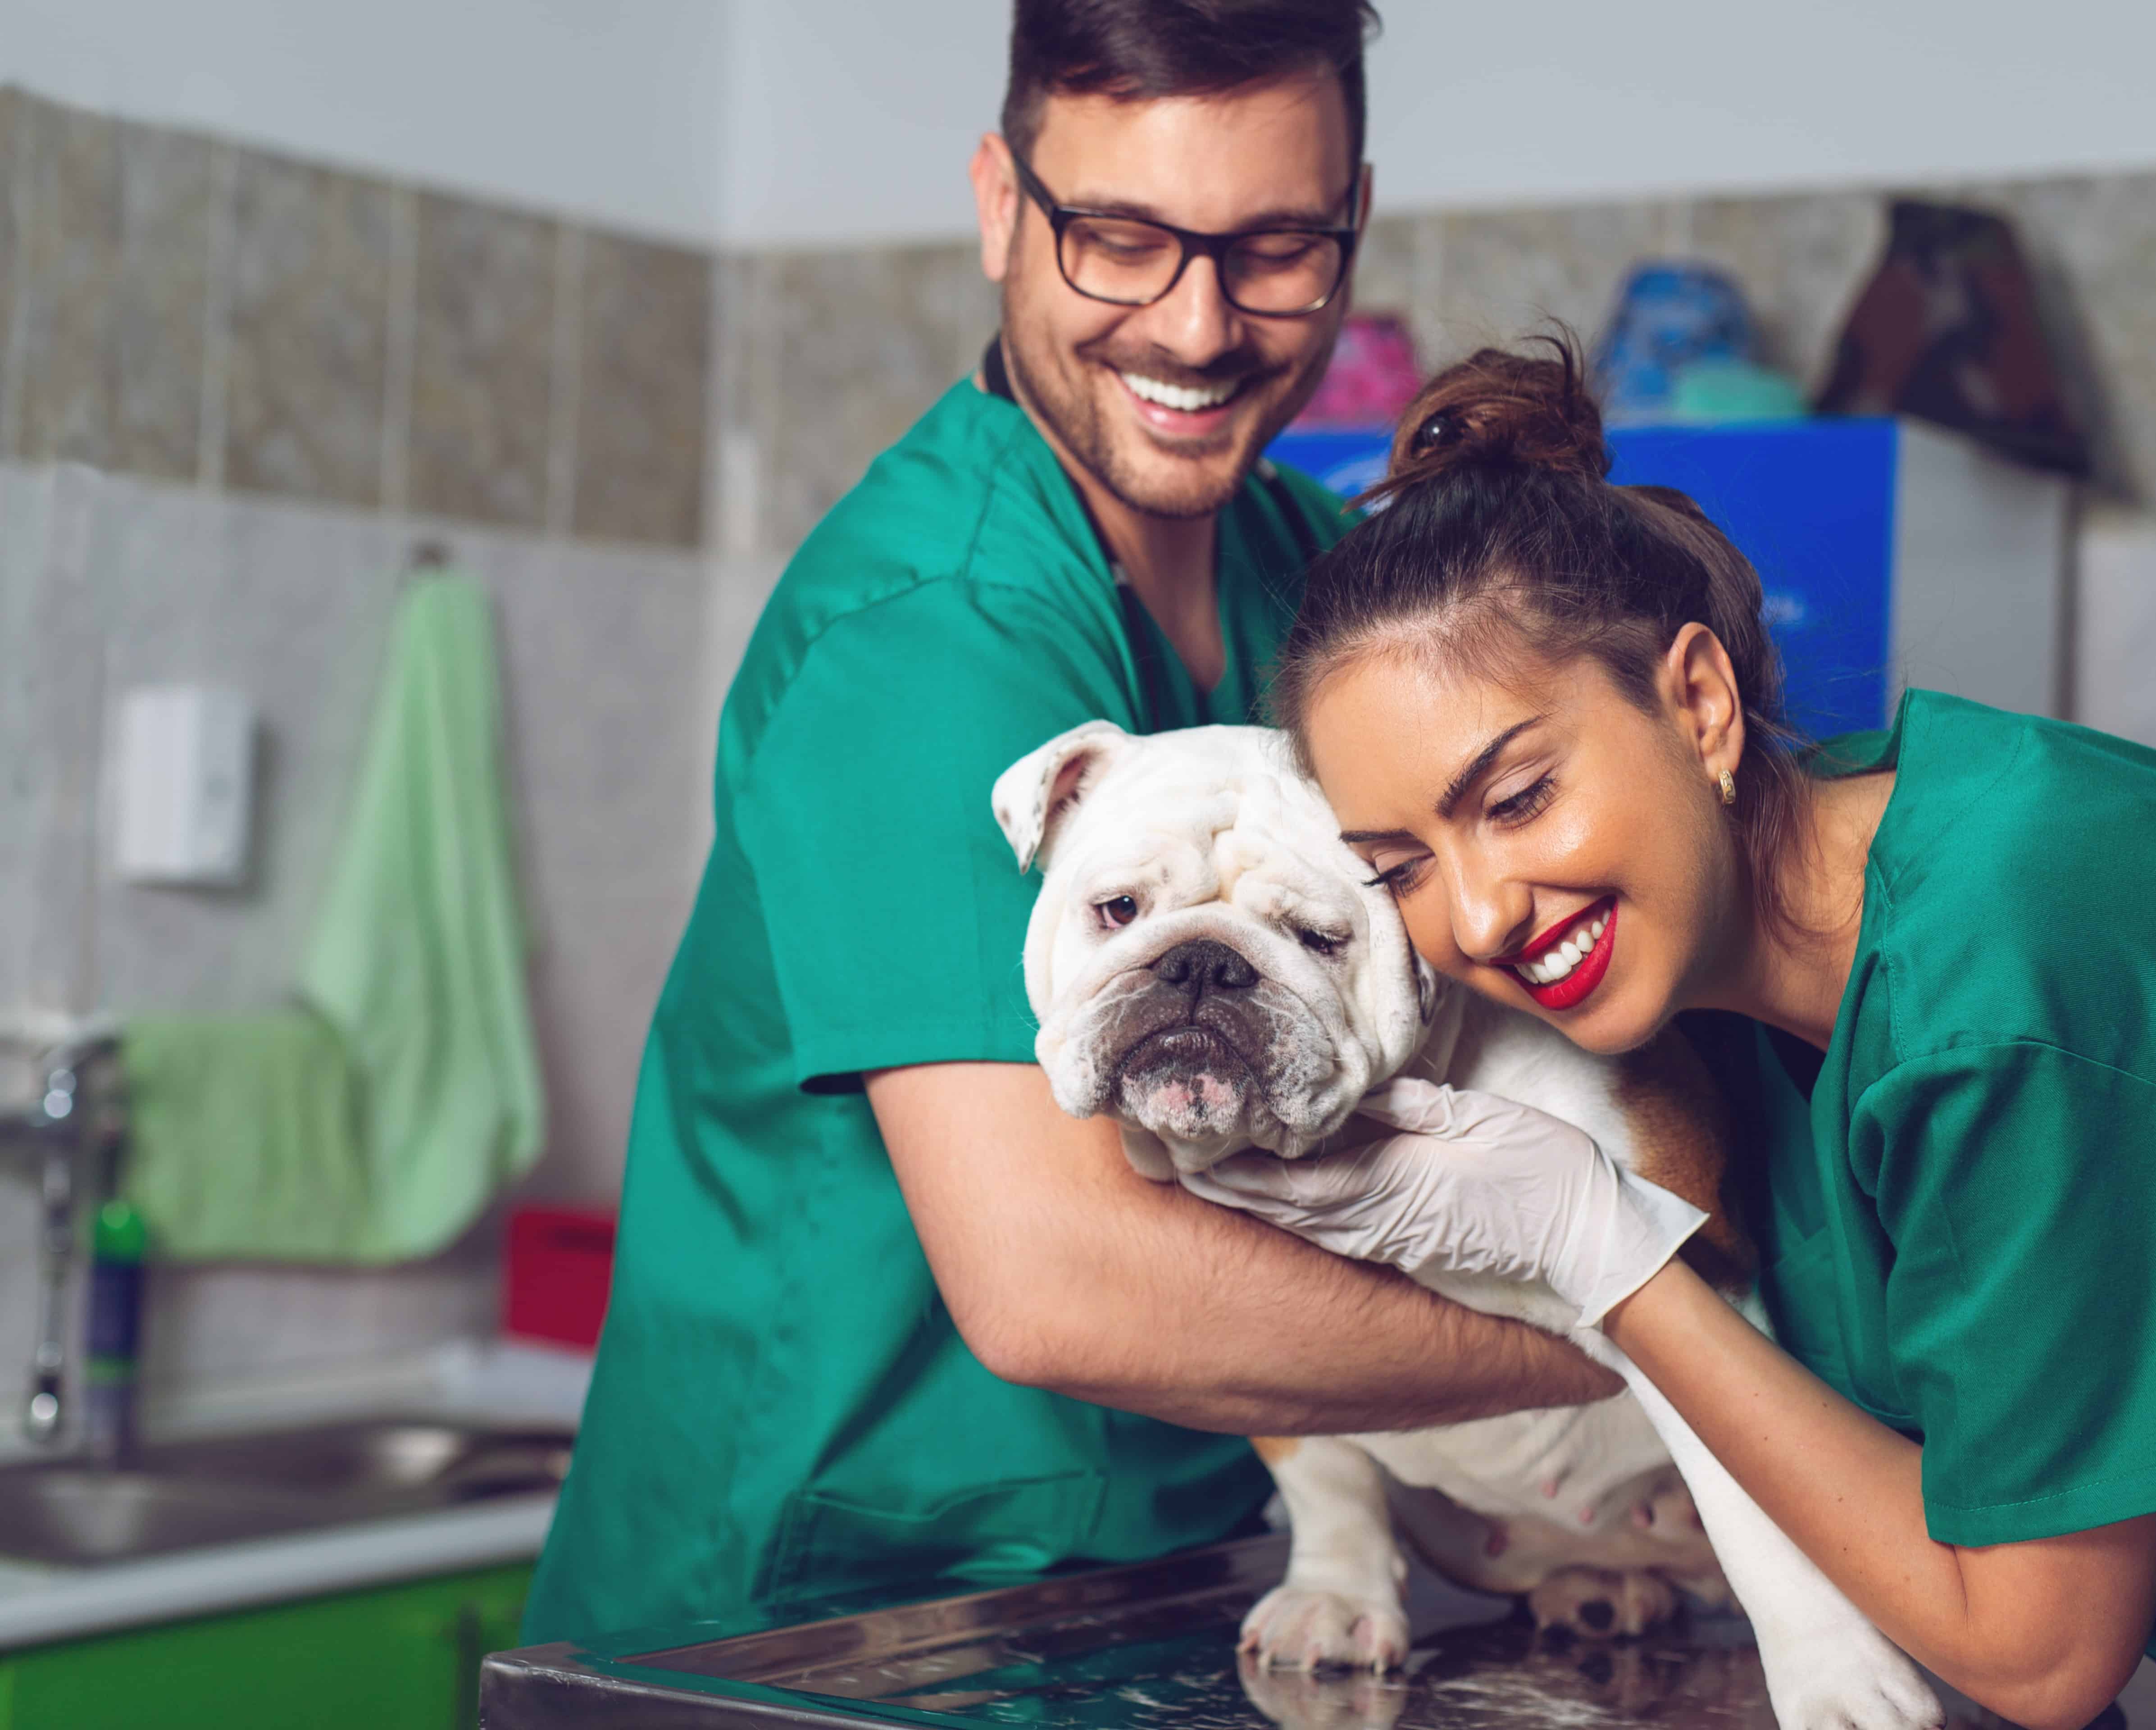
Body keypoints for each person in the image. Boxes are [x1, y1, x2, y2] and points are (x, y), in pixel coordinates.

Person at [1187, 339, 2156, 1730]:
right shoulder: (1754, 952)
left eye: (1517, 798)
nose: (1482, 913)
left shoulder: (2008, 980)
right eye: (1399, 868)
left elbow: (2042, 1658)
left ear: (1699, 702)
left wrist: (1603, 1255)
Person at [523, 4, 1618, 1644]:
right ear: (997, 205)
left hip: (1184, 1570)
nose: (1196, 325)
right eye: (1118, 239)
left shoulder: (1319, 581)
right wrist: (1632, 1345)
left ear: (1353, 229)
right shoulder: (930, 638)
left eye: (1272, 251)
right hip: (834, 1618)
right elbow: (1060, 1284)